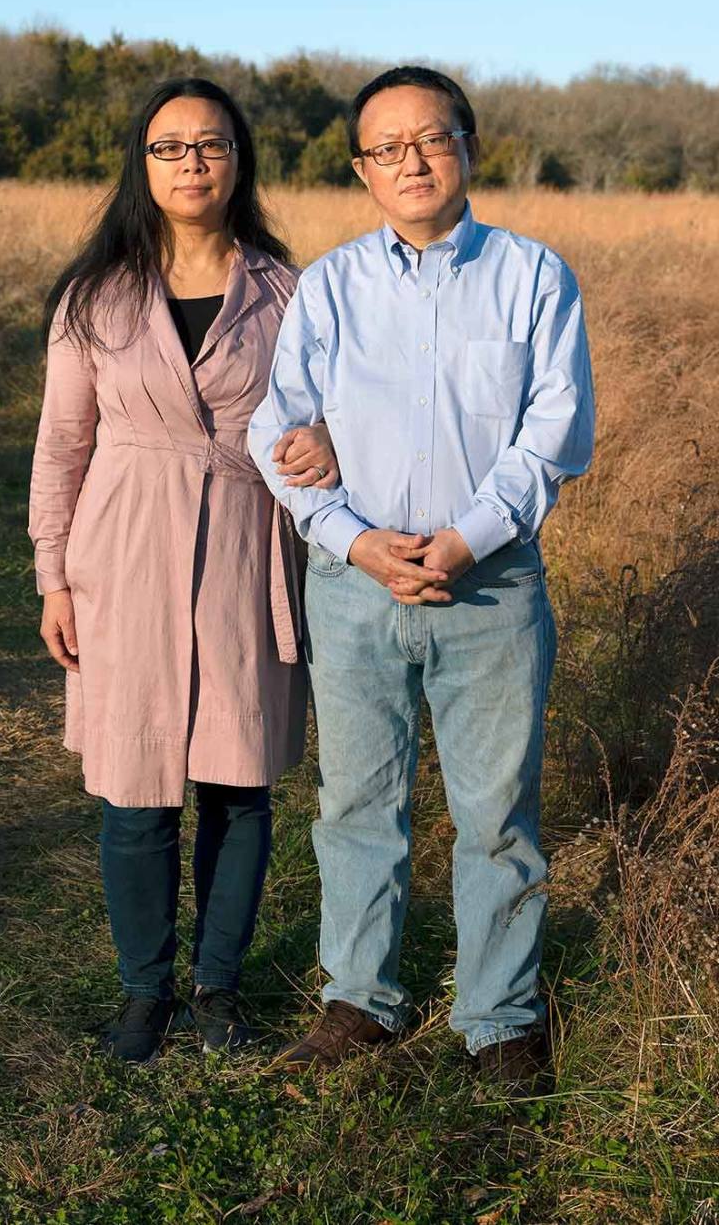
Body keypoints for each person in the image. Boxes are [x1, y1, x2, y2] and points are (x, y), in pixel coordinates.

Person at [247, 66, 595, 1085]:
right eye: (385, 147)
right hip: (353, 585)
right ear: (361, 170)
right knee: (357, 800)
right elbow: (279, 425)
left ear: (467, 147)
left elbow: (552, 436)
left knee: (495, 811)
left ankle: (497, 1015)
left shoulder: (533, 276)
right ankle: (362, 999)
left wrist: (463, 539)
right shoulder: (329, 286)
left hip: (487, 584)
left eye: (428, 138)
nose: (410, 160)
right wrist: (352, 538)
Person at [28, 76, 338, 1064]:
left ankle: (217, 988)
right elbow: (59, 446)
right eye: (169, 148)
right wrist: (52, 577)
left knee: (237, 783)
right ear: (142, 165)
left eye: (209, 145)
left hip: (246, 546)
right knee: (133, 788)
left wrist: (328, 447)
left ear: (239, 160)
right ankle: (142, 994)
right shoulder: (94, 298)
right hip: (122, 551)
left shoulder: (289, 293)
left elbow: (325, 425)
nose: (191, 162)